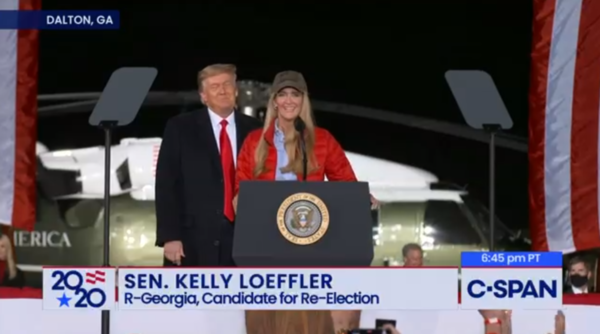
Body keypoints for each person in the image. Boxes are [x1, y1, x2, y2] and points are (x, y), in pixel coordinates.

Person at [155, 63, 262, 267]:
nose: (222, 90)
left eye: (227, 84)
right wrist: (170, 236)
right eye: (214, 86)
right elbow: (166, 184)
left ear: (236, 91)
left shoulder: (255, 130)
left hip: (245, 238)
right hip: (192, 240)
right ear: (203, 96)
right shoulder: (180, 127)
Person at [234, 70, 378, 207]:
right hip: (264, 221)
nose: (288, 100)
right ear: (274, 101)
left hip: (307, 225)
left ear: (303, 100)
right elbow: (240, 189)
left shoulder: (323, 139)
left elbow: (346, 183)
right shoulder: (254, 141)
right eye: (282, 94)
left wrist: (363, 198)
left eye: (295, 94)